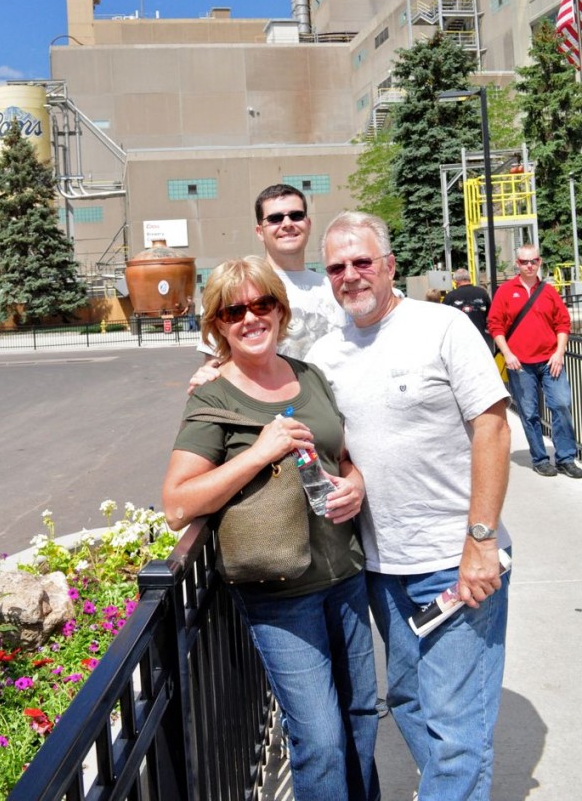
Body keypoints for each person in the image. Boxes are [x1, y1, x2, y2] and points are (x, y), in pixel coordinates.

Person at [305, 211, 511, 801]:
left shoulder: (441, 326)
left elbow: (493, 429)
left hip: (455, 560)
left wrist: (481, 538)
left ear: (389, 266)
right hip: (381, 569)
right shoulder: (326, 354)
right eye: (338, 266)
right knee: (410, 700)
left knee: (456, 728)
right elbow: (331, 443)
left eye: (362, 261)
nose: (351, 275)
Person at [164, 256, 380, 801]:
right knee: (321, 741)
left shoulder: (309, 377)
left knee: (360, 719)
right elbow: (177, 504)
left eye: (262, 305)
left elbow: (340, 455)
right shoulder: (213, 397)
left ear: (280, 312)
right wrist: (258, 454)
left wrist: (354, 481)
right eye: (234, 310)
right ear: (217, 325)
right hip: (280, 595)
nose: (250, 318)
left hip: (346, 575)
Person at [197, 183, 347, 363]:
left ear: (308, 224)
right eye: (275, 219)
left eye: (296, 215)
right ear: (260, 231)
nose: (287, 224)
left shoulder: (336, 287)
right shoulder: (233, 291)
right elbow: (215, 364)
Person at [488, 244, 582, 478]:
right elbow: (495, 325)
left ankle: (565, 458)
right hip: (520, 364)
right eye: (524, 262)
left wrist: (559, 352)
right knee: (529, 412)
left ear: (539, 262)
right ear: (517, 264)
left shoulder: (548, 291)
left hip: (551, 360)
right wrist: (508, 354)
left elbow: (562, 323)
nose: (529, 265)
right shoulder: (506, 291)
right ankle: (540, 458)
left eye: (533, 261)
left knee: (561, 405)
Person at [443, 268, 492, 348]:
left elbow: (444, 320)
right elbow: (490, 314)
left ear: (456, 282)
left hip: (459, 341)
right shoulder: (482, 293)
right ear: (469, 279)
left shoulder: (450, 297)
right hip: (480, 339)